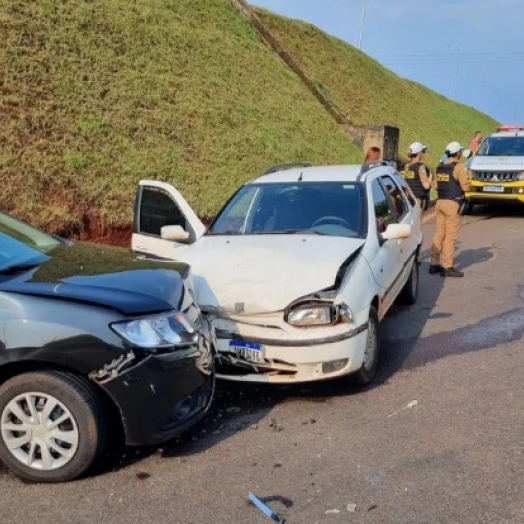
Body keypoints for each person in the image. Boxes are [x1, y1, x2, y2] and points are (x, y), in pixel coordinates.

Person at [429, 141, 471, 277]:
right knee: (450, 237)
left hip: (440, 202)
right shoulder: (459, 166)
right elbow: (465, 187)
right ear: (458, 153)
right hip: (452, 203)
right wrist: (469, 180)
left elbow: (435, 185)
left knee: (439, 234)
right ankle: (447, 266)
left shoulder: (440, 166)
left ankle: (434, 264)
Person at [400, 142, 432, 210]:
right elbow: (426, 186)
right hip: (417, 200)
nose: (423, 153)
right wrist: (430, 178)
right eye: (423, 151)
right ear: (419, 153)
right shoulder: (421, 167)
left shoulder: (405, 166)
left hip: (406, 198)